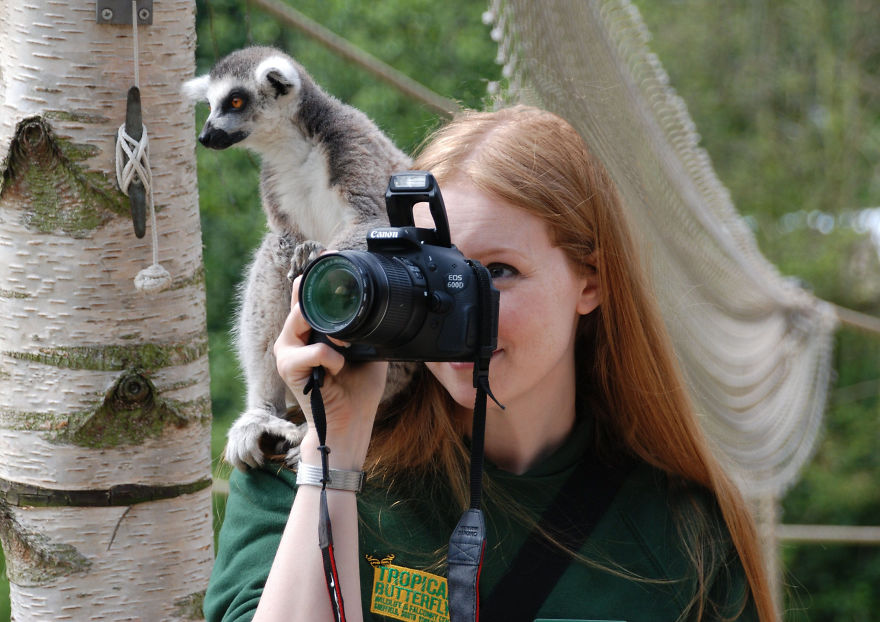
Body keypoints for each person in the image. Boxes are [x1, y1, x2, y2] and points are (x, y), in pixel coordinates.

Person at [204, 105, 775, 622]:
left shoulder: (682, 533)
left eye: (496, 272)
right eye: (432, 269)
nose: (456, 304)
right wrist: (335, 456)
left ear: (590, 283)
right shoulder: (291, 479)